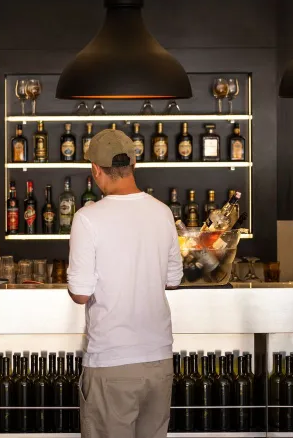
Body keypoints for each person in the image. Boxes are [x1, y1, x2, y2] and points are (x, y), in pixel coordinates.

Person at [67, 128, 183, 438]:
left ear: (95, 169)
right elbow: (173, 280)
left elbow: (80, 293)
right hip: (159, 360)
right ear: (133, 164)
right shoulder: (163, 213)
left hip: (112, 361)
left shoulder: (87, 218)